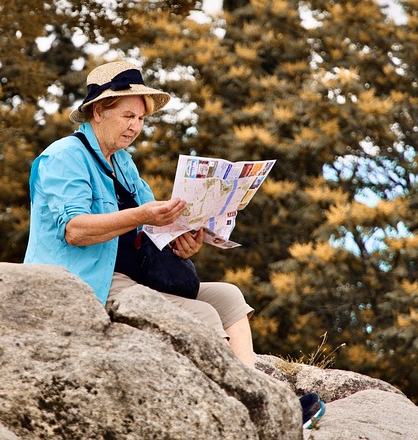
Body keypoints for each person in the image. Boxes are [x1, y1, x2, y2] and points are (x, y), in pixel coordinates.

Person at [24, 60, 324, 426]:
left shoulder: (123, 163)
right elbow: (75, 230)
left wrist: (185, 238)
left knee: (229, 296)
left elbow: (154, 228)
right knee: (204, 315)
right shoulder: (63, 157)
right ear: (98, 111)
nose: (136, 126)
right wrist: (143, 215)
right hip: (88, 281)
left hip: (134, 278)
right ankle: (255, 409)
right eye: (128, 115)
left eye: (141, 118)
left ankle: (257, 392)